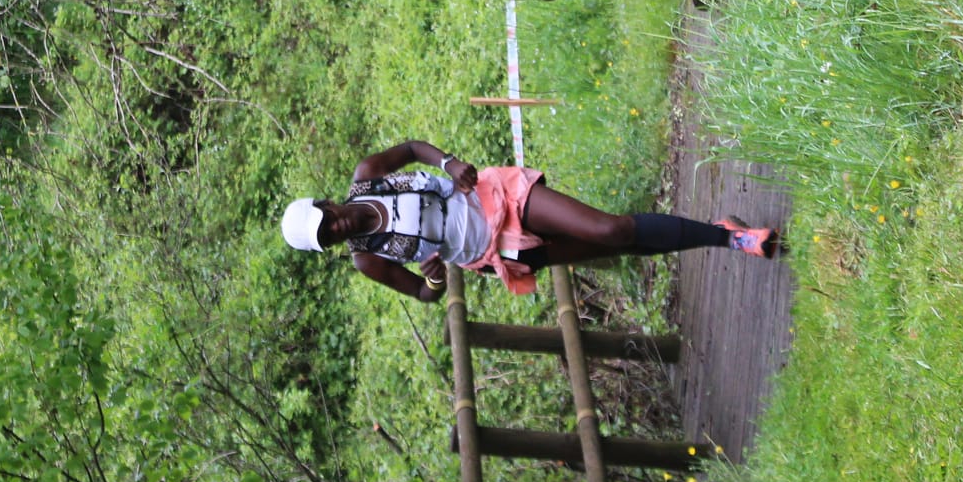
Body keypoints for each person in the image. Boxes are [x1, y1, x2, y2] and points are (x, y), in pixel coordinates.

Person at [280, 139, 778, 301]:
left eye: (327, 221)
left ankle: (731, 237)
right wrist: (432, 280)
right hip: (498, 252)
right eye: (327, 239)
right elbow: (425, 295)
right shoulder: (369, 261)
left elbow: (412, 149)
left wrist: (448, 163)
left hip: (496, 200)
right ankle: (723, 232)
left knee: (611, 229)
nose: (336, 230)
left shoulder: (369, 177)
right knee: (612, 247)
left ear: (324, 204)